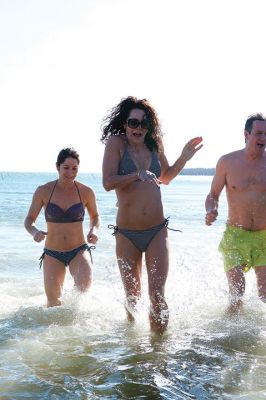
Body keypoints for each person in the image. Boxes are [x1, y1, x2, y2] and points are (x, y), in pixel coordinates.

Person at [101, 96, 203, 333]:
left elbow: (164, 177)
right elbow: (107, 182)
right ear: (124, 123)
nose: (138, 128)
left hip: (157, 230)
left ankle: (158, 354)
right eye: (133, 123)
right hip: (127, 234)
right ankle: (133, 351)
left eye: (143, 123)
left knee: (157, 295)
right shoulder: (116, 143)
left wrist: (184, 158)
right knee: (133, 299)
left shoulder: (154, 143)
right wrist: (137, 174)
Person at [205, 113, 266, 313]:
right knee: (237, 293)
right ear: (246, 135)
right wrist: (211, 209)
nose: (263, 138)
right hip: (235, 236)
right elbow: (213, 194)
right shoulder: (227, 162)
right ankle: (229, 338)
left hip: (263, 237)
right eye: (259, 133)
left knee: (265, 295)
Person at [24, 147, 100, 307]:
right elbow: (29, 220)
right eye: (66, 168)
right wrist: (35, 232)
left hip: (78, 250)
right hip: (53, 254)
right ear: (57, 167)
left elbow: (95, 217)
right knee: (53, 305)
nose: (71, 172)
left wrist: (93, 230)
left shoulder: (86, 192)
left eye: (75, 168)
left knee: (83, 295)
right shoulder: (43, 191)